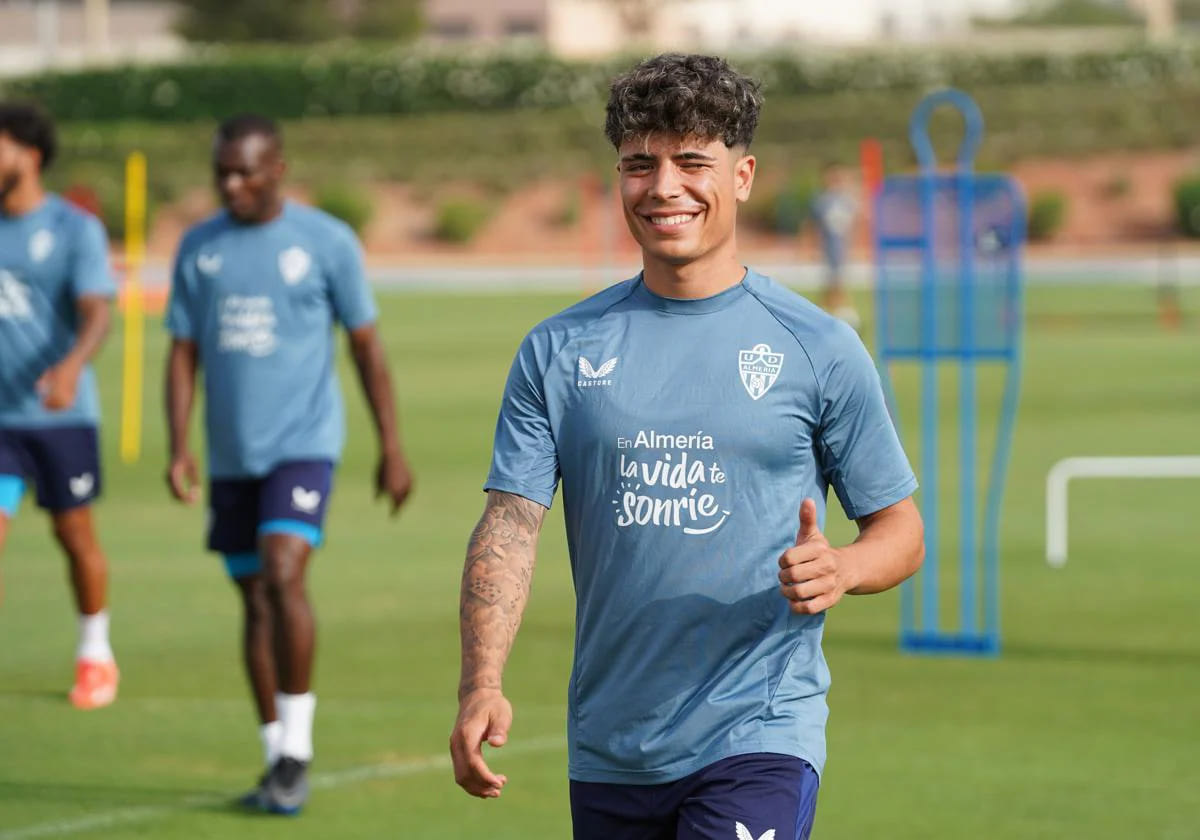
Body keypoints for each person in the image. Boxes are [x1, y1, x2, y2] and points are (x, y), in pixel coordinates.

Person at [450, 54, 924, 840]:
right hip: (610, 746)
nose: (664, 186)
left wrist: (843, 567)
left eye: (691, 161)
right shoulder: (557, 350)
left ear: (741, 175)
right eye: (640, 164)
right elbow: (510, 524)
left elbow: (900, 532)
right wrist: (481, 681)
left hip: (759, 731)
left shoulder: (818, 347)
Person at [164, 113, 413, 815]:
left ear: (278, 169)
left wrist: (391, 447)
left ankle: (298, 749)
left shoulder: (327, 241)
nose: (230, 185)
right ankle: (276, 752)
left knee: (282, 571)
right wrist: (179, 444)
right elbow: (182, 351)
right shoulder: (199, 247)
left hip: (304, 445)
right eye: (221, 173)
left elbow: (366, 347)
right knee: (252, 599)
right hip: (231, 456)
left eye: (243, 172)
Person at [0, 103, 120, 710]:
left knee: (74, 536)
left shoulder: (73, 228)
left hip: (60, 414)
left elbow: (98, 311)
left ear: (30, 155)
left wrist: (71, 367)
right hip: (0, 424)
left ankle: (95, 652)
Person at [809, 162, 860, 329]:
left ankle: (840, 313)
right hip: (828, 249)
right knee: (831, 282)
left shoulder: (847, 200)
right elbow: (813, 225)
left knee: (840, 281)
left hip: (842, 249)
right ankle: (824, 313)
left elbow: (855, 225)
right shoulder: (822, 200)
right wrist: (810, 246)